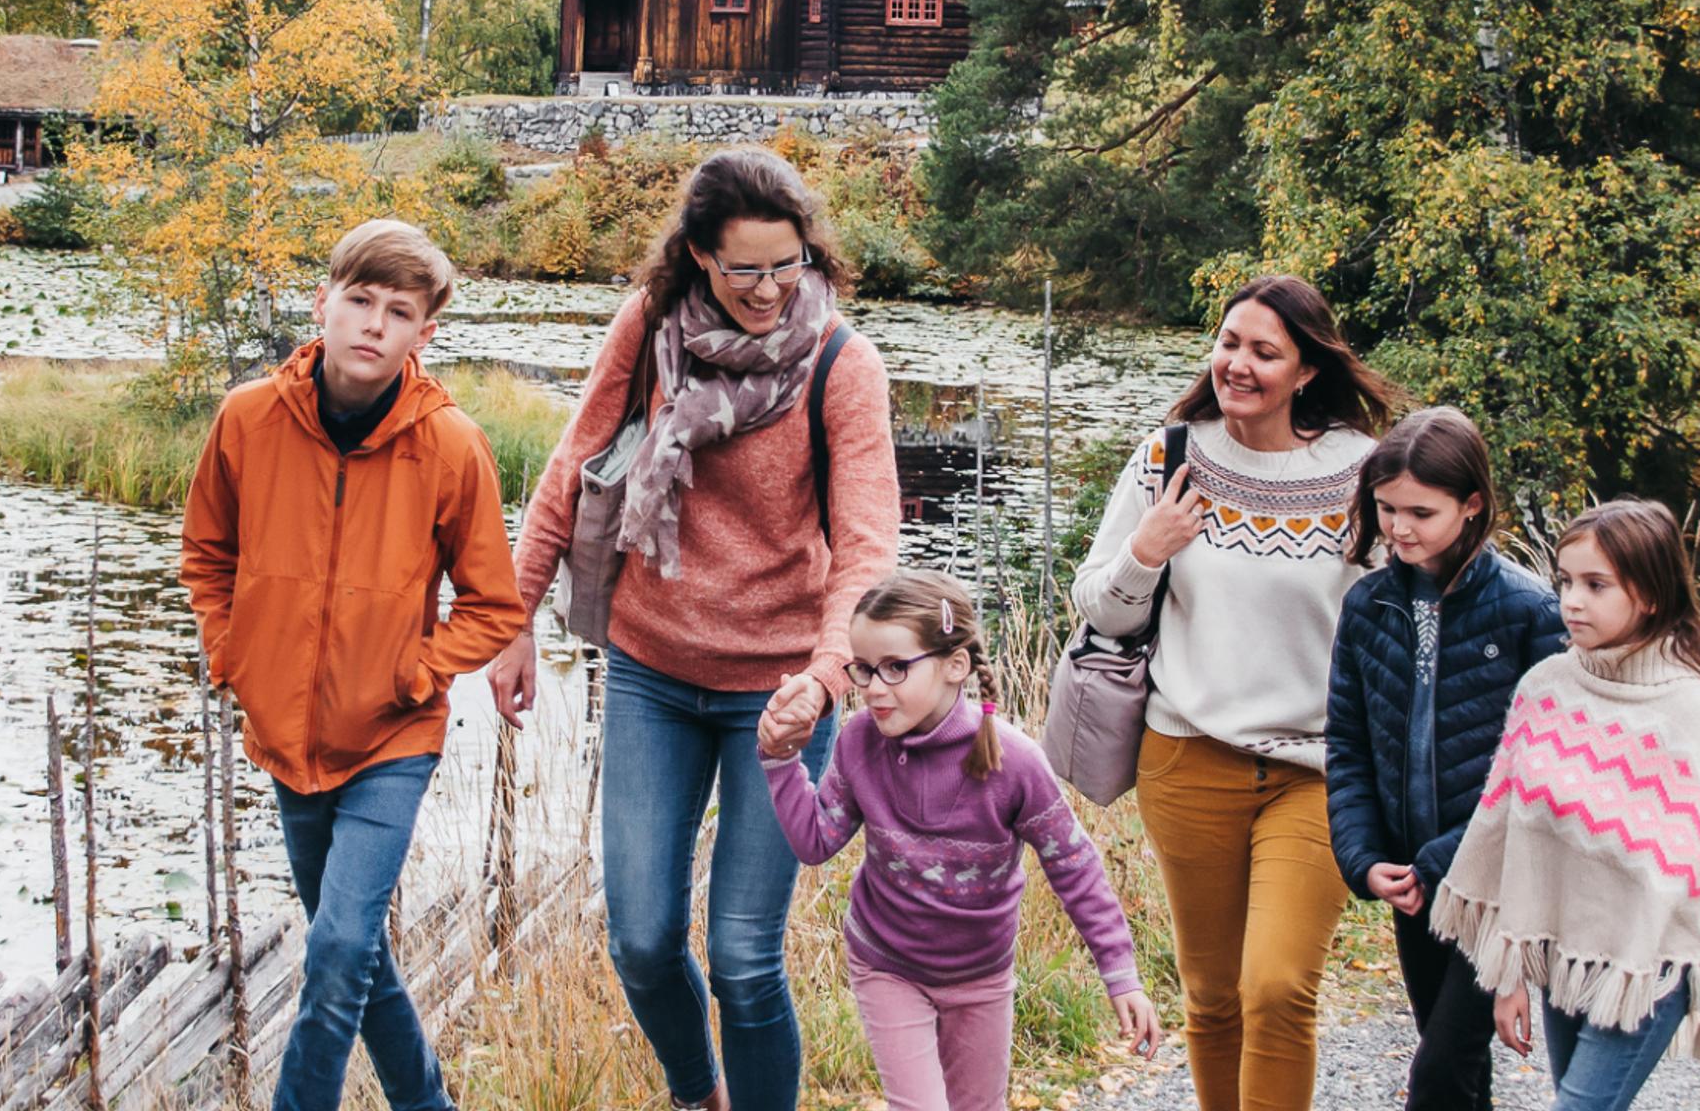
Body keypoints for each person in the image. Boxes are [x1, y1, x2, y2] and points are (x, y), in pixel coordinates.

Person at [493, 148, 900, 1111]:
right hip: (652, 670)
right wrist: (511, 621)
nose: (767, 289)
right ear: (698, 259)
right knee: (639, 940)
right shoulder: (649, 330)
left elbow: (870, 541)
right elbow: (574, 462)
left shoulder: (841, 364)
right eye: (744, 268)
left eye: (786, 265)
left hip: (782, 691)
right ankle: (696, 1093)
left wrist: (829, 673)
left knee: (745, 959)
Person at [181, 219, 527, 1111]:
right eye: (361, 301)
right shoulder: (248, 419)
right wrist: (235, 657)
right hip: (286, 733)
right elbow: (206, 557)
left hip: (391, 737)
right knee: (354, 951)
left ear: (424, 333)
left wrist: (416, 673)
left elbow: (493, 605)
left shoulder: (450, 445)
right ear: (323, 303)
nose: (374, 324)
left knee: (337, 947)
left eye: (398, 311)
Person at [1070, 273, 1397, 1111]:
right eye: (1228, 342)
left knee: (1278, 986)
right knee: (1212, 998)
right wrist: (1146, 551)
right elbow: (1097, 602)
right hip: (1188, 759)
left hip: (1317, 772)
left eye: (1263, 351)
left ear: (1307, 372)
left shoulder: (1360, 473)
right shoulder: (1170, 457)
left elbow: (1400, 618)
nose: (1237, 364)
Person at [760, 569, 1163, 1111]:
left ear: (956, 666)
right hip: (886, 964)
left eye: (896, 668)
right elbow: (815, 841)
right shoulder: (861, 742)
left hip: (981, 977)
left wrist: (1121, 975)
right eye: (864, 669)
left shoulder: (1015, 763)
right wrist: (782, 762)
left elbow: (1075, 867)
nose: (875, 688)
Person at [1432, 499, 1700, 1110]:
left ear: (1651, 595)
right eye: (1565, 581)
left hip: (1649, 963)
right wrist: (1509, 978)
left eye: (1595, 585)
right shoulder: (1546, 689)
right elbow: (1508, 840)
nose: (1572, 600)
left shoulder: (1686, 707)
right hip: (1566, 953)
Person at [1324, 406, 1567, 1109]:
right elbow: (1348, 745)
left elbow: (1542, 771)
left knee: (1437, 1071)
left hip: (1497, 885)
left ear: (1472, 506)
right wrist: (1364, 857)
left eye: (1420, 512)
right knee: (1455, 1067)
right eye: (1387, 508)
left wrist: (1448, 858)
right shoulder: (1368, 606)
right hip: (1410, 878)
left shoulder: (1530, 612)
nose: (1399, 527)